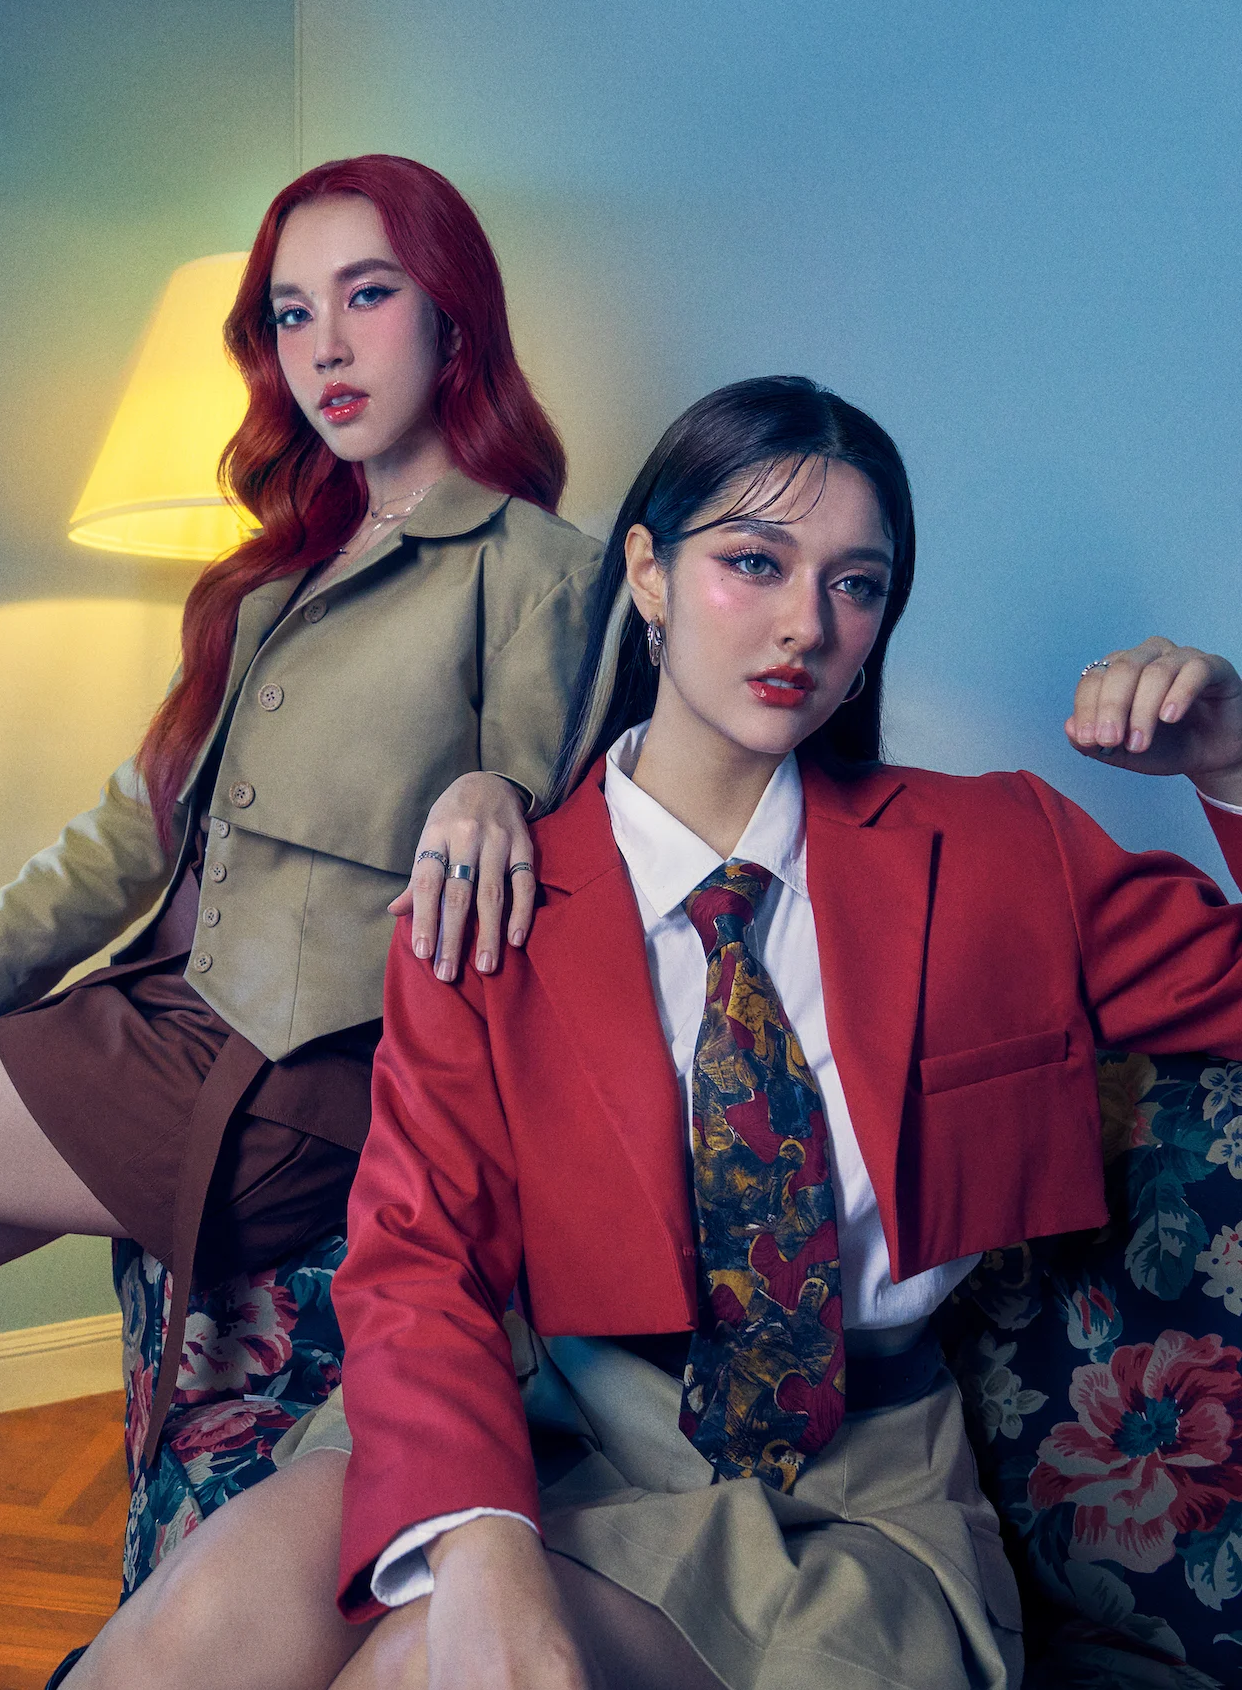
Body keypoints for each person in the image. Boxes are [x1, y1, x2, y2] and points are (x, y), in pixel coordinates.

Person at [68, 375, 1242, 1690]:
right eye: (755, 561)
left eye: (857, 585)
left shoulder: (998, 852)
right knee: (184, 1636)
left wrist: (1233, 763)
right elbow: (418, 1257)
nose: (806, 622)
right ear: (648, 573)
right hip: (533, 1408)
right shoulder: (489, 894)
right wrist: (481, 1541)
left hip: (849, 1495)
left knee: (415, 1671)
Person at [0, 154, 601, 1555]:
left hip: (291, 1087)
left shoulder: (540, 571)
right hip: (155, 1024)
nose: (325, 346)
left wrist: (492, 791)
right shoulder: (277, 572)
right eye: (292, 313)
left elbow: (537, 810)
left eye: (368, 295)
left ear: (453, 316)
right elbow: (128, 829)